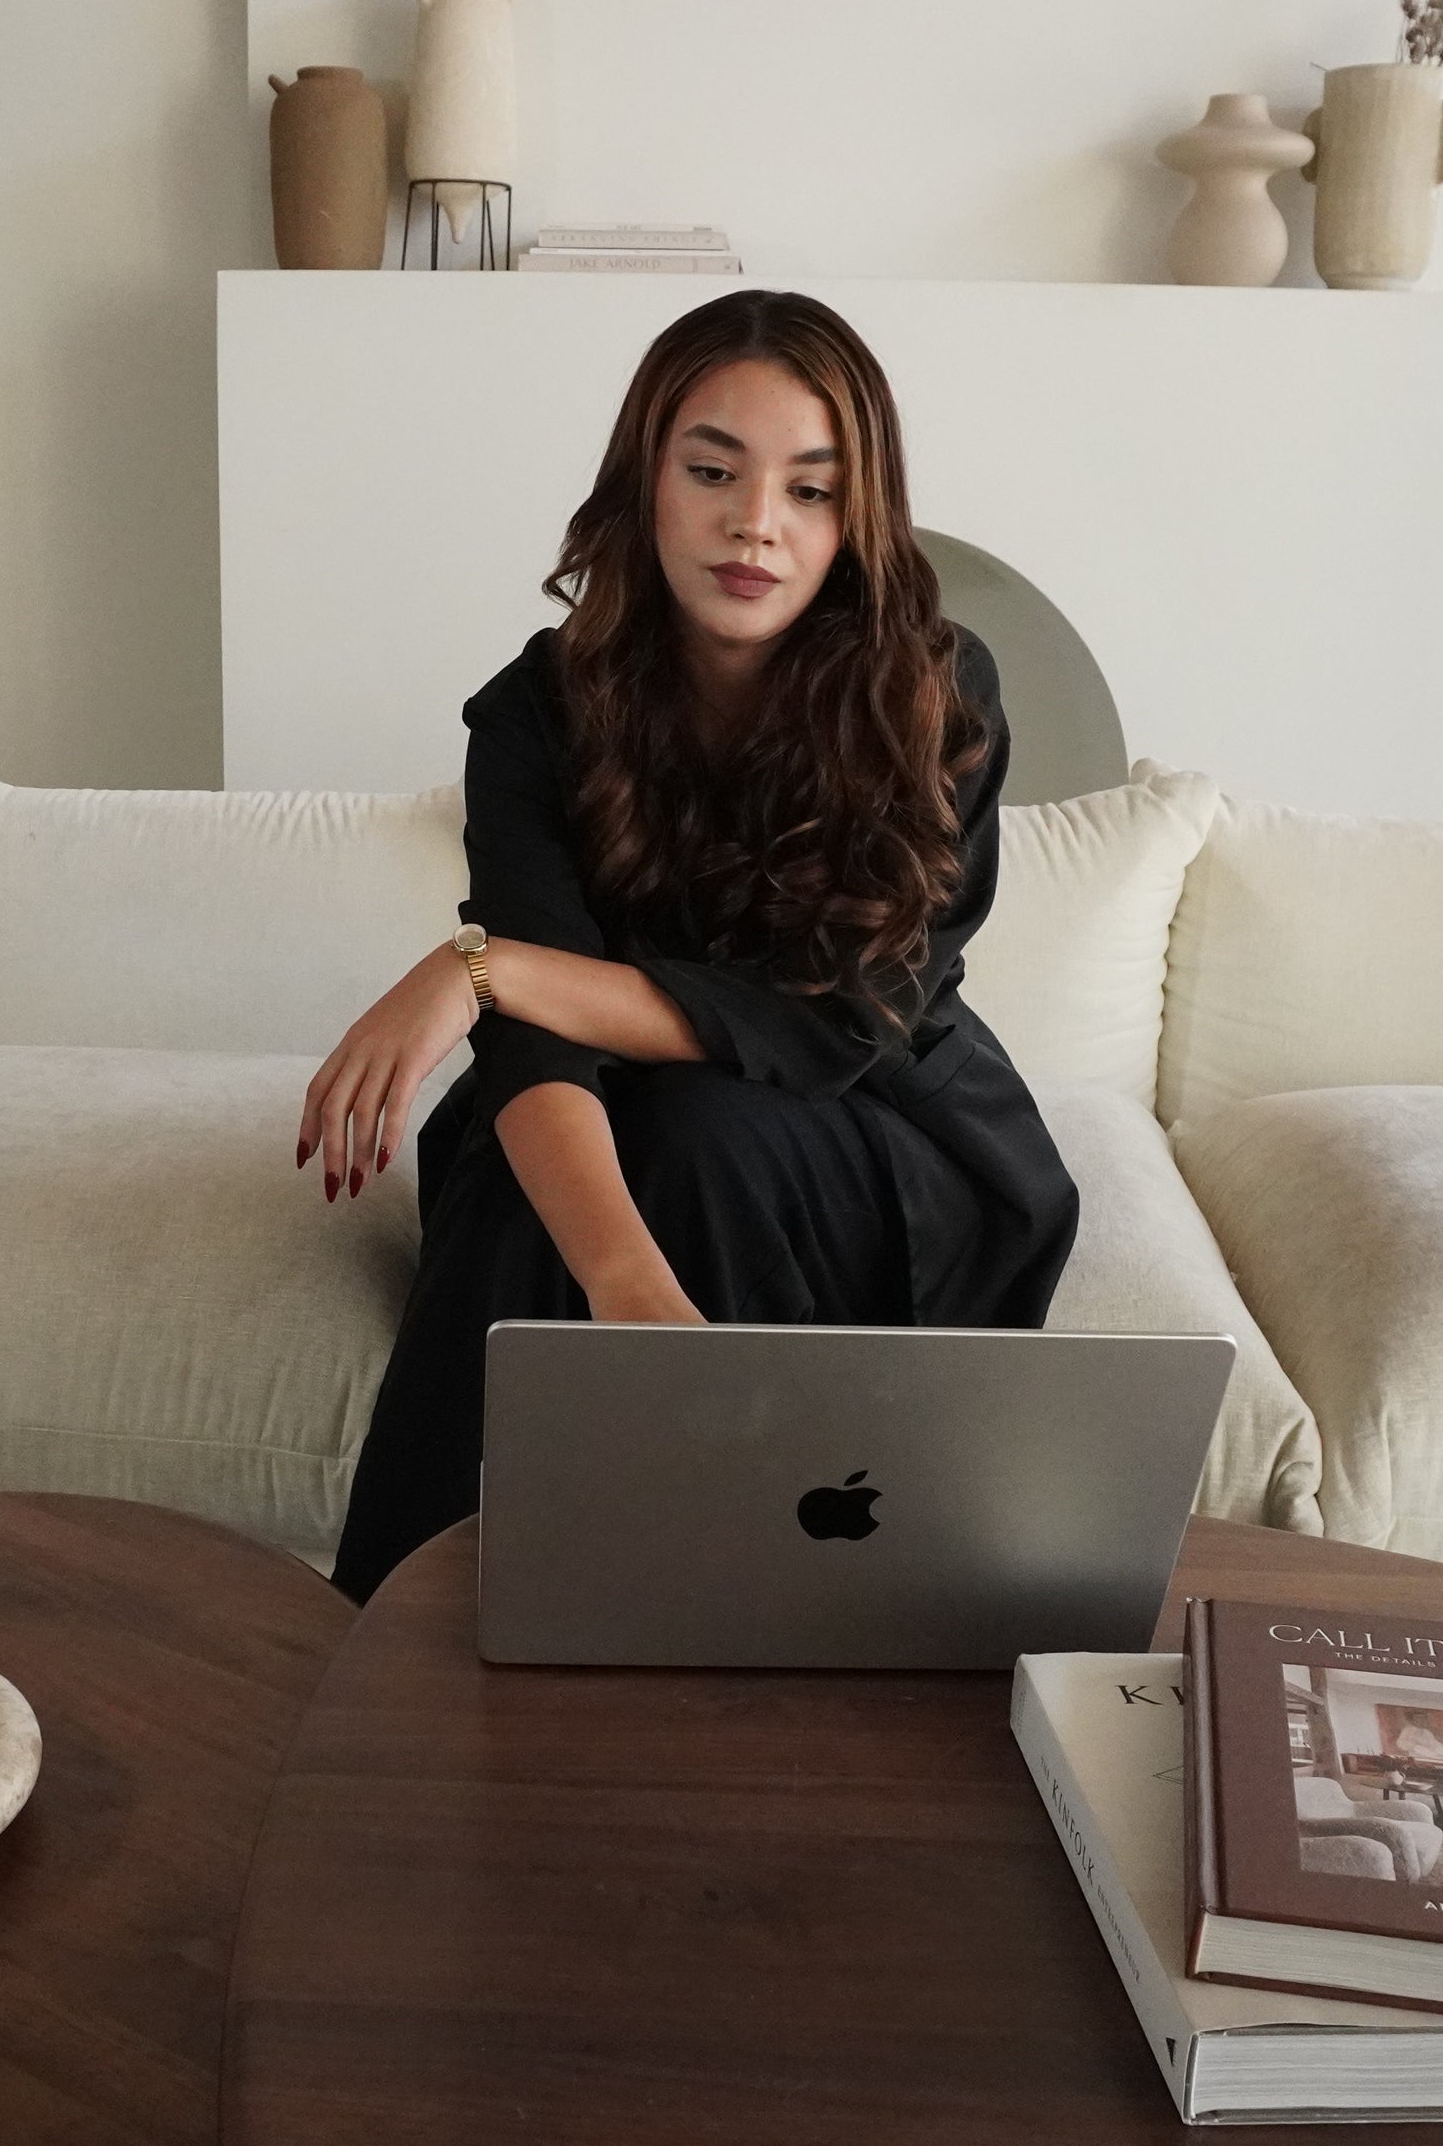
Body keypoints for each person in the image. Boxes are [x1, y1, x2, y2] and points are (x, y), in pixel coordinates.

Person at [300, 289, 1078, 1600]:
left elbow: (843, 1014)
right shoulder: (539, 712)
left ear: (858, 519)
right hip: (626, 1110)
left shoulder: (939, 692)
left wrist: (483, 968)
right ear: (644, 481)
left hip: (885, 1119)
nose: (755, 522)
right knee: (531, 1169)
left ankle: (721, 1612)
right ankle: (394, 1636)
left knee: (704, 1132)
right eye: (713, 471)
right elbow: (538, 1052)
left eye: (810, 491)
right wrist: (621, 1275)